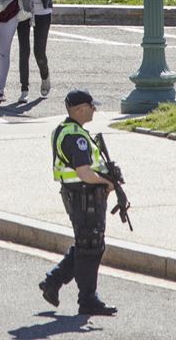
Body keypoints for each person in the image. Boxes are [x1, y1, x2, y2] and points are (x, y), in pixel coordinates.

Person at [40, 88, 116, 317]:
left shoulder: (66, 130)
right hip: (85, 196)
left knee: (87, 243)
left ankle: (53, 281)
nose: (95, 110)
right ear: (81, 109)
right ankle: (87, 300)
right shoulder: (76, 137)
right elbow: (84, 172)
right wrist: (106, 182)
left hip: (80, 196)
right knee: (90, 247)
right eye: (92, 106)